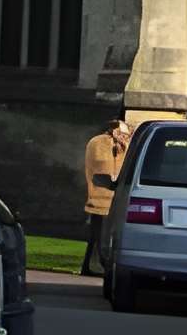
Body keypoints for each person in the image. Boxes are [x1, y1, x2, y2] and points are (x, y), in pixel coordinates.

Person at [79, 115, 132, 275]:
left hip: (100, 199)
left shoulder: (97, 143)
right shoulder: (103, 144)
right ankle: (98, 266)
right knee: (101, 236)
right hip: (106, 200)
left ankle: (89, 266)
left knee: (97, 236)